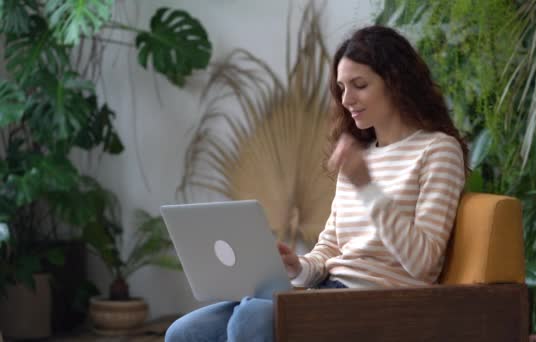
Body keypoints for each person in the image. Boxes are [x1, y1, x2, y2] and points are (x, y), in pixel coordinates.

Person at [165, 25, 468, 342]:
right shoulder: (359, 154)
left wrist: (366, 185)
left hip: (378, 302)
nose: (347, 99)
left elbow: (423, 263)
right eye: (341, 87)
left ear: (396, 83)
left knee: (250, 319)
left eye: (359, 85)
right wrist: (297, 266)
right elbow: (330, 250)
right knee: (184, 333)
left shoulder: (437, 150)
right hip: (326, 290)